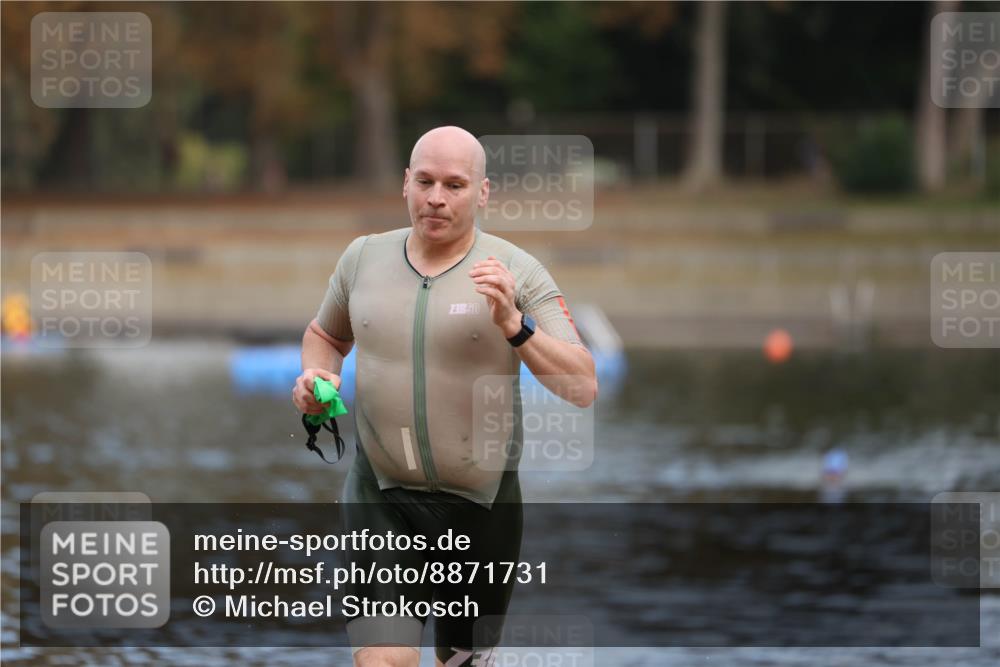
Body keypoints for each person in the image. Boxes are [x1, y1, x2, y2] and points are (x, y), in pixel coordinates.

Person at [292, 126, 597, 667]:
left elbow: (582, 385)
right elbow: (326, 336)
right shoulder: (362, 259)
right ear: (405, 183)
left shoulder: (517, 272)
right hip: (379, 497)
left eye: (454, 185)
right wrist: (317, 379)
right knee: (384, 661)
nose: (436, 197)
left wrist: (514, 325)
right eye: (425, 181)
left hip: (481, 507)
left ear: (483, 192)